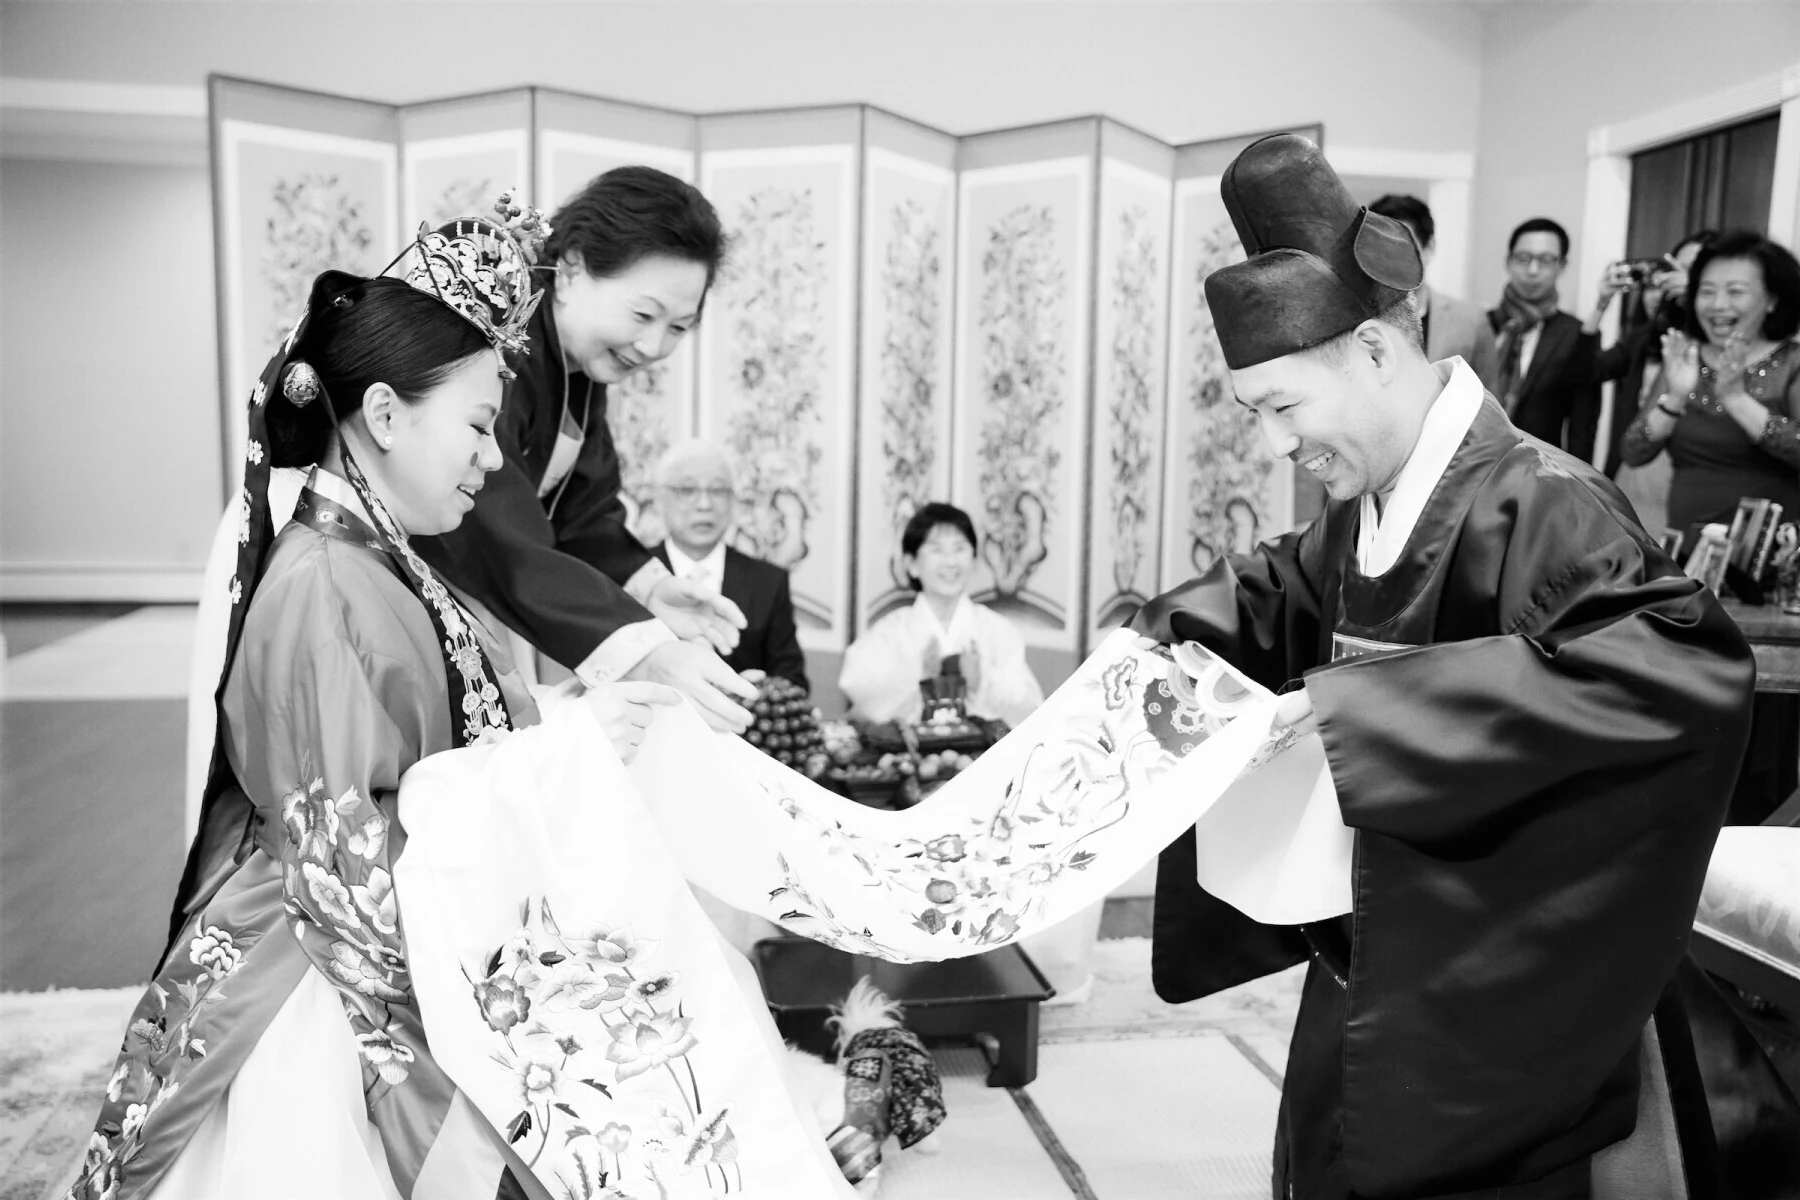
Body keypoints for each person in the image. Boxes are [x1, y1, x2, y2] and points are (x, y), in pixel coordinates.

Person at [1132, 134, 1758, 1198]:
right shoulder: (1368, 503)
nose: (1276, 446)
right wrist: (1147, 645)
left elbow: (1686, 674)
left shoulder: (1548, 503)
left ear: (1377, 352)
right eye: (1256, 415)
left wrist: (1368, 718)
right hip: (1381, 966)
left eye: (1284, 408)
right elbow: (1275, 591)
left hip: (1506, 1016)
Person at [70, 211, 689, 1199]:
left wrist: (562, 720)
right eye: (481, 428)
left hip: (347, 912)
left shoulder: (375, 555)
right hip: (318, 967)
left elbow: (434, 749)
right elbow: (353, 850)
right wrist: (562, 754)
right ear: (388, 416)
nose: (493, 465)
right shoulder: (329, 586)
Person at [411, 166, 755, 733]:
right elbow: (492, 524)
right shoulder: (490, 345)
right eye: (644, 315)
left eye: (678, 328)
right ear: (569, 271)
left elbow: (583, 517)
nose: (652, 346)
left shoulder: (578, 374)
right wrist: (641, 650)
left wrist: (651, 588)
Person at [1617, 230, 1800, 537]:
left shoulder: (1793, 362)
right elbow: (1634, 452)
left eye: (1735, 291)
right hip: (1685, 548)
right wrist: (1674, 399)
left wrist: (1736, 399)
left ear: (1772, 300)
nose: (1717, 305)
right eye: (1707, 291)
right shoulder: (1685, 357)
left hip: (1767, 557)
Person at [839, 503, 1043, 728]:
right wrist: (915, 672)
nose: (950, 561)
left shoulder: (996, 630)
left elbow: (1030, 707)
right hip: (905, 757)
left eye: (959, 549)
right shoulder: (891, 630)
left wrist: (981, 680)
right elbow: (857, 686)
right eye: (936, 550)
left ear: (974, 559)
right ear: (912, 564)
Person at [649, 437, 809, 691]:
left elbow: (792, 680)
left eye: (717, 491)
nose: (704, 505)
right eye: (687, 490)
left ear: (733, 501)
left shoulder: (768, 581)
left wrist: (758, 691)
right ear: (659, 499)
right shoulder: (634, 576)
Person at [1579, 229, 1717, 478]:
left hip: (1689, 474)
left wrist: (1699, 295)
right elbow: (1587, 371)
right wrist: (1601, 303)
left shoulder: (1720, 343)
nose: (1679, 279)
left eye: (1694, 272)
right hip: (1635, 463)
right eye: (1675, 270)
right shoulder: (1645, 337)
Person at [1487, 216, 1601, 460]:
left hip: (1541, 471)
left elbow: (1582, 425)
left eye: (1546, 260)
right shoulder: (1482, 324)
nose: (1532, 270)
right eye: (1523, 258)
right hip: (1474, 463)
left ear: (1562, 266)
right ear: (1508, 262)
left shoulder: (1576, 335)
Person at [1367, 193, 1499, 390]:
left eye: (1404, 247)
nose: (1393, 258)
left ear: (1429, 248)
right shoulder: (1353, 318)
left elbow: (1488, 403)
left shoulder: (1471, 320)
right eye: (1383, 247)